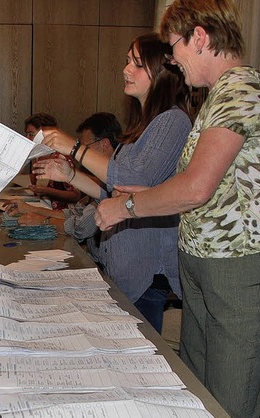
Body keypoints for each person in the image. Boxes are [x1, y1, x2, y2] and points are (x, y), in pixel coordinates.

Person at [95, 1, 260, 416]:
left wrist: (128, 207)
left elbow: (196, 188)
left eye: (174, 48)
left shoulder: (241, 90)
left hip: (234, 269)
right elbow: (205, 183)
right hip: (203, 268)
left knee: (229, 399)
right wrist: (146, 192)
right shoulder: (215, 97)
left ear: (200, 38)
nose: (173, 60)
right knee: (199, 392)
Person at [36, 33, 192, 334]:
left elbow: (133, 180)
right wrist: (70, 176)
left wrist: (75, 149)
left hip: (149, 274)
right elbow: (115, 191)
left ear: (160, 73)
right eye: (127, 61)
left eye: (136, 63)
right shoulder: (144, 126)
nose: (125, 69)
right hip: (128, 271)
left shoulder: (173, 122)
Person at [7, 112, 122, 262]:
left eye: (85, 148)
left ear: (104, 143)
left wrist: (43, 221)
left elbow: (81, 227)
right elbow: (75, 212)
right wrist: (29, 209)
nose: (80, 156)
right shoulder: (100, 178)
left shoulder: (118, 180)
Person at [24, 113, 80, 209]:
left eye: (31, 134)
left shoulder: (61, 158)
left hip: (61, 214)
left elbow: (76, 195)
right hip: (42, 208)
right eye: (27, 134)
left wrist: (47, 191)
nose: (27, 138)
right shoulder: (37, 157)